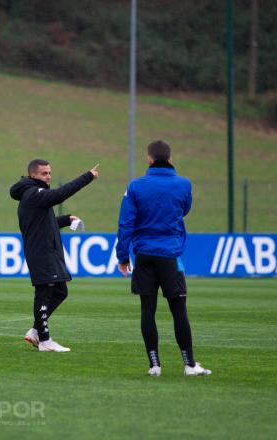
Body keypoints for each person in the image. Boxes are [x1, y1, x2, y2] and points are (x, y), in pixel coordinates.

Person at [115, 140, 211, 377]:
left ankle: (154, 365)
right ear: (170, 158)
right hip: (170, 255)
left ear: (149, 159)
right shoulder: (183, 184)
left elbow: (125, 223)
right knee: (179, 310)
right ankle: (189, 365)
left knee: (148, 310)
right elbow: (184, 209)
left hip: (144, 255)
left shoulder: (136, 186)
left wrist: (123, 256)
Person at [9, 159, 99, 352]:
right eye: (44, 173)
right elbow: (60, 194)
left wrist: (66, 219)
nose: (48, 176)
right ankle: (44, 340)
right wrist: (88, 176)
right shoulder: (34, 194)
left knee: (60, 291)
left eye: (49, 173)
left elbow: (45, 223)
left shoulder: (33, 194)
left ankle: (35, 330)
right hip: (41, 253)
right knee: (44, 293)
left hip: (47, 252)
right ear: (33, 175)